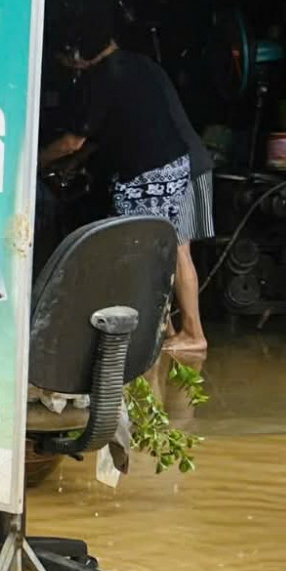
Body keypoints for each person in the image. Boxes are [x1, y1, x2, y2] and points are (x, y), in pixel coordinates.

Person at [40, 18, 210, 357]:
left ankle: (188, 334)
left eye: (68, 62)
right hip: (176, 164)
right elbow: (117, 127)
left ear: (78, 54)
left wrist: (36, 160)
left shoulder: (104, 77)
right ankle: (171, 332)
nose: (71, 70)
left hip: (150, 174)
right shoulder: (141, 65)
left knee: (157, 254)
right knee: (172, 252)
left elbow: (74, 141)